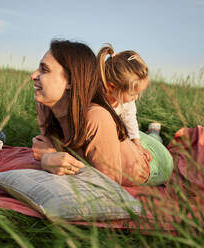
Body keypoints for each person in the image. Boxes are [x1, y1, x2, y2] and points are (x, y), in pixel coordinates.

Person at [31, 40, 171, 186]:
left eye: (44, 70)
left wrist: (47, 157)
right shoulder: (45, 107)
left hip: (154, 161)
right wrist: (48, 157)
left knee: (151, 139)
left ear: (72, 80)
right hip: (119, 138)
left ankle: (154, 133)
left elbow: (108, 187)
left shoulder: (96, 118)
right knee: (125, 134)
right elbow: (47, 147)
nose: (33, 75)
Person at [96, 44, 173, 185]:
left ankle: (154, 132)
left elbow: (130, 118)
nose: (136, 98)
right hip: (118, 135)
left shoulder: (125, 100)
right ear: (112, 87)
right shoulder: (97, 101)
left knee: (151, 144)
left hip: (126, 132)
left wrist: (137, 143)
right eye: (133, 94)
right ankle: (151, 134)